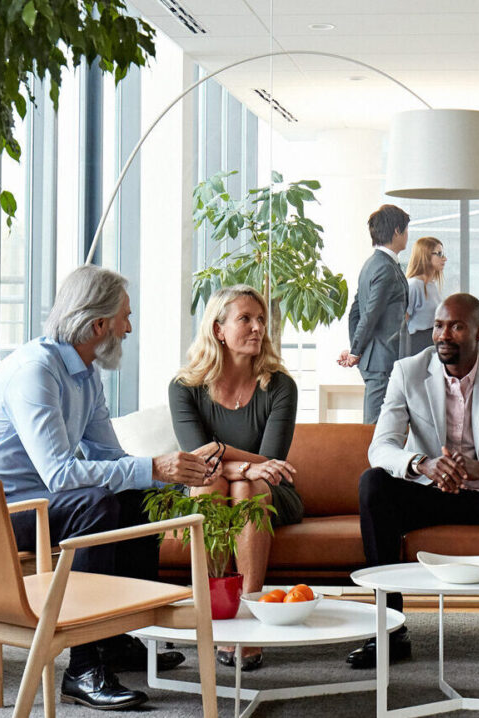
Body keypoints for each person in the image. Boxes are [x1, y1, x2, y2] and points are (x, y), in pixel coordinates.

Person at [0, 265, 212, 711]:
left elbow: (110, 456)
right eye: (125, 317)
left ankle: (112, 638)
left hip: (28, 504)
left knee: (135, 494)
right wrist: (152, 466)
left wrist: (166, 472)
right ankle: (82, 667)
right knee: (95, 505)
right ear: (98, 325)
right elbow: (61, 476)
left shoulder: (86, 374)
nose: (129, 327)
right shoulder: (37, 372)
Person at [348, 293, 479, 671]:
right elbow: (380, 447)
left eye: (456, 326)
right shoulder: (407, 371)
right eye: (439, 326)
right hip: (428, 493)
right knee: (373, 483)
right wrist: (422, 464)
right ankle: (391, 627)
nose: (444, 335)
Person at [169, 285, 304, 671]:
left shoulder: (280, 386)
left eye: (261, 320)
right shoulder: (185, 388)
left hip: (271, 492)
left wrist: (222, 452)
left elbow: (272, 464)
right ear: (218, 329)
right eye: (246, 319)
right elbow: (198, 463)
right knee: (212, 484)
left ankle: (249, 620)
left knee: (248, 486)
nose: (258, 327)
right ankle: (218, 615)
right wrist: (239, 465)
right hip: (211, 483)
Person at [340, 204, 411, 424]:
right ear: (397, 231)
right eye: (406, 230)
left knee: (385, 425)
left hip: (377, 358)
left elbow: (355, 311)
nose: (408, 236)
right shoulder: (385, 268)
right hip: (382, 360)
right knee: (375, 427)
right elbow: (369, 314)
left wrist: (357, 349)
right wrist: (355, 351)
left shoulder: (372, 264)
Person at [404, 236, 447, 356]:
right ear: (425, 255)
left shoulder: (432, 285)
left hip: (433, 342)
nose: (444, 258)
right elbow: (402, 322)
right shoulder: (413, 285)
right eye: (439, 254)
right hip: (418, 344)